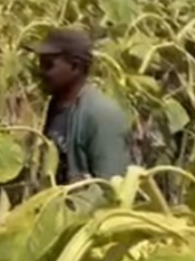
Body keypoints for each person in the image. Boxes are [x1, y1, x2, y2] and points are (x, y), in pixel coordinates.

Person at [31, 28, 131, 183]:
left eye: (48, 65)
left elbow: (111, 188)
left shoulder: (102, 115)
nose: (40, 72)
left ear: (75, 67)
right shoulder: (55, 105)